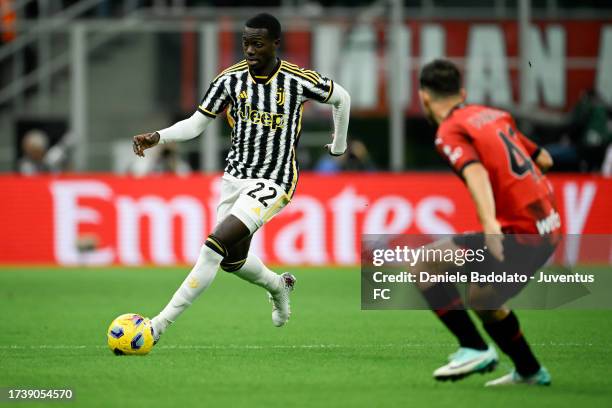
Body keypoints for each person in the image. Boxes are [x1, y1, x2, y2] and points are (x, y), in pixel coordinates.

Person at [132, 13, 350, 344]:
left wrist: (338, 145)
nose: (249, 50)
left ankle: (158, 326)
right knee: (232, 262)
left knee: (211, 248)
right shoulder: (229, 80)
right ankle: (279, 286)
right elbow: (195, 123)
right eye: (245, 43)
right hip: (235, 178)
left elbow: (341, 98)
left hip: (274, 181)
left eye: (257, 44)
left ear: (276, 44)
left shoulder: (297, 80)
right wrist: (159, 137)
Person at [415, 59, 560, 386]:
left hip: (518, 232)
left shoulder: (449, 130)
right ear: (462, 92)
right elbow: (545, 160)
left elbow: (475, 172)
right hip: (548, 226)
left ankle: (474, 347)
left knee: (425, 264)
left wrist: (491, 225)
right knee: (484, 299)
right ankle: (530, 372)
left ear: (424, 96)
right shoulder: (493, 115)